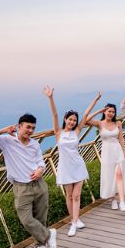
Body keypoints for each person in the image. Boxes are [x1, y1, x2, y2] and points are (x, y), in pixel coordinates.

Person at [0, 114, 57, 248]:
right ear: (19, 126)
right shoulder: (7, 141)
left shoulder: (34, 144)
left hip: (39, 184)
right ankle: (49, 234)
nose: (30, 130)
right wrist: (4, 130)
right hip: (21, 187)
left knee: (41, 218)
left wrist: (41, 169)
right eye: (28, 127)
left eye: (33, 128)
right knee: (27, 219)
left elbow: (41, 162)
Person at [45, 86, 99, 236]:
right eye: (70, 119)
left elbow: (86, 114)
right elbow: (54, 114)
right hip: (65, 167)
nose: (73, 122)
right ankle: (74, 219)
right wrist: (50, 97)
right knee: (69, 196)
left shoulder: (77, 131)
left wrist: (96, 100)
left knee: (76, 196)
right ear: (65, 120)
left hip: (78, 165)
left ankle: (74, 223)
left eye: (74, 120)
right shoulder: (58, 133)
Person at [85, 103, 125, 211]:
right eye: (109, 111)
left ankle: (122, 202)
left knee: (119, 175)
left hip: (117, 150)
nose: (111, 113)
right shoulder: (99, 123)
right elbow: (86, 119)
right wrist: (99, 111)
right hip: (106, 152)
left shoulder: (118, 123)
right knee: (109, 175)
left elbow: (121, 139)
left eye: (113, 112)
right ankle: (113, 199)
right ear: (105, 112)